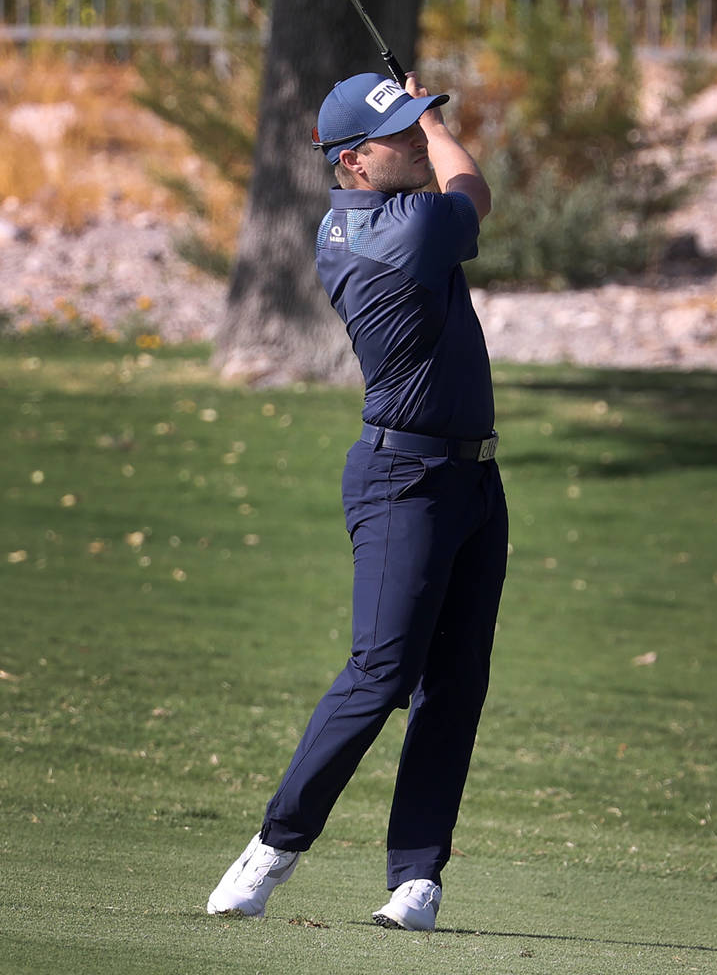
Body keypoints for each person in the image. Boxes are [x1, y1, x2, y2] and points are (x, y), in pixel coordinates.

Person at [207, 71, 508, 931]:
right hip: (402, 483)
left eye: (418, 127)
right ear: (353, 165)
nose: (417, 140)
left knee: (457, 684)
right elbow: (472, 190)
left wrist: (416, 114)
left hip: (473, 481)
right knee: (381, 673)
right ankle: (273, 848)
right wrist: (441, 120)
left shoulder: (393, 209)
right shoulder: (389, 232)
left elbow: (451, 181)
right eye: (399, 135)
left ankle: (418, 878)